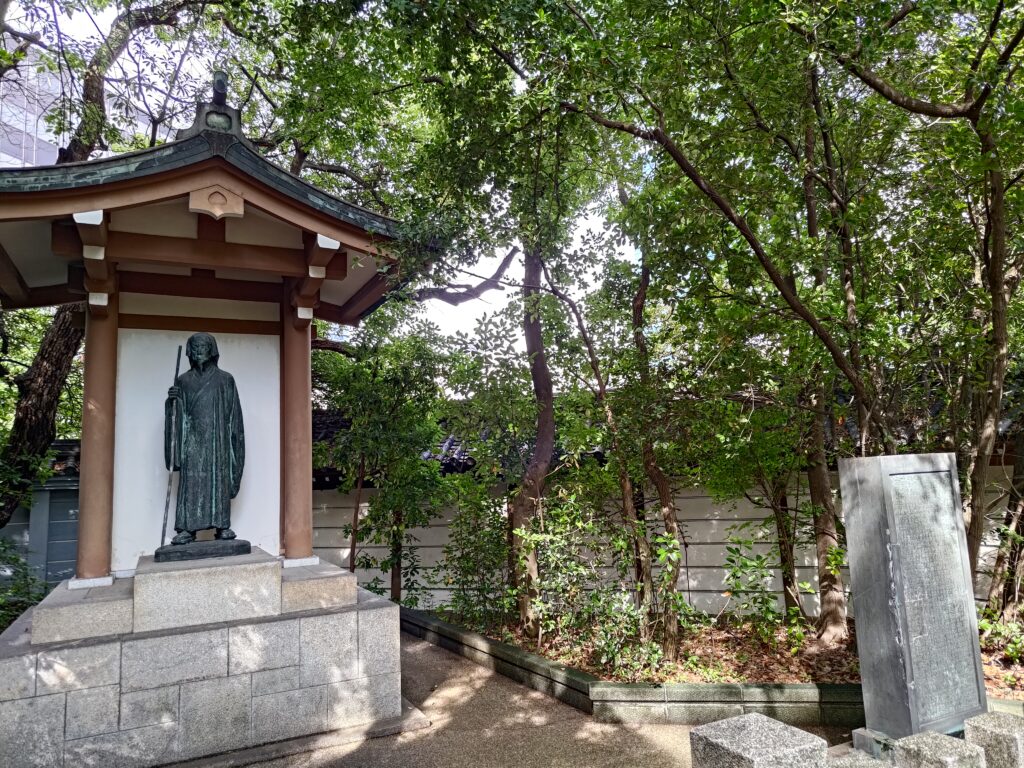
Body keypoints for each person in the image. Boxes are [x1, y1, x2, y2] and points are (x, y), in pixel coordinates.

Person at [164, 332, 245, 544]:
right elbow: (177, 417)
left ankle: (222, 525)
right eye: (196, 347)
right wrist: (172, 403)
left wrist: (233, 444)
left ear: (212, 350)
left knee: (218, 480)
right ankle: (187, 529)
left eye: (204, 346)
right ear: (189, 352)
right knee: (191, 482)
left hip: (217, 442)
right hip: (191, 442)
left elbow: (234, 415)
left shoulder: (225, 380)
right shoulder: (182, 381)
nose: (199, 350)